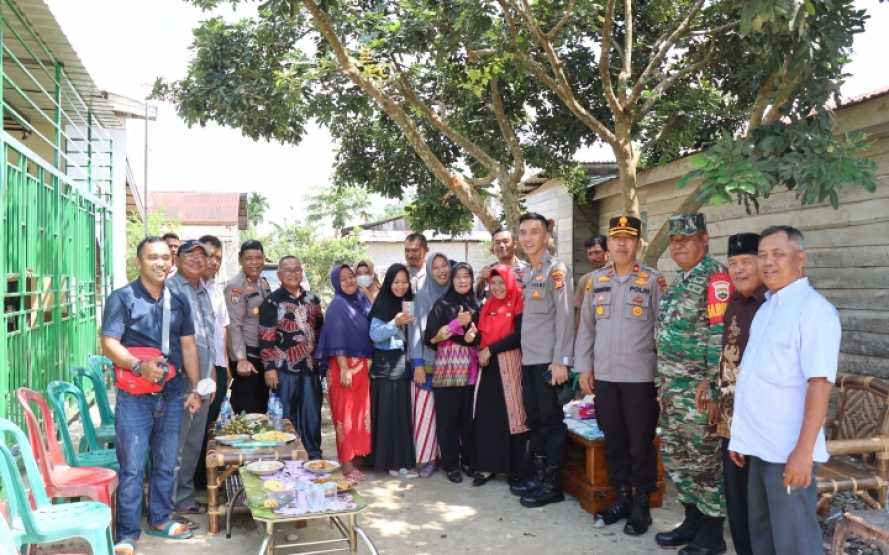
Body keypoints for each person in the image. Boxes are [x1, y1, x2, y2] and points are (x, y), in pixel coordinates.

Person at [729, 226, 840, 555]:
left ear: (800, 259)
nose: (768, 262)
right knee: (763, 537)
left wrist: (803, 453)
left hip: (788, 450)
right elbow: (754, 379)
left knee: (795, 542)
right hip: (760, 445)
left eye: (778, 254)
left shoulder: (815, 311)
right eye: (762, 255)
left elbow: (819, 385)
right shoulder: (767, 308)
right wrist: (741, 436)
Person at [100, 236, 202, 548]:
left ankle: (161, 517)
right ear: (139, 261)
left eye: (165, 257)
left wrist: (195, 388)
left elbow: (187, 346)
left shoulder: (179, 300)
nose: (160, 263)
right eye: (152, 257)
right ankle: (127, 533)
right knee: (132, 466)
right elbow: (108, 343)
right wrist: (136, 366)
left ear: (172, 263)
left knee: (167, 461)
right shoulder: (123, 298)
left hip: (172, 394)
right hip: (134, 397)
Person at [574, 216, 664, 535]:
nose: (622, 244)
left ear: (639, 243)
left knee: (640, 445)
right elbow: (585, 328)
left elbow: (661, 332)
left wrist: (661, 379)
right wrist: (584, 367)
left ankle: (641, 505)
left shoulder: (653, 281)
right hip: (606, 379)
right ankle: (621, 498)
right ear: (608, 243)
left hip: (640, 379)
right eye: (617, 238)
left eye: (629, 238)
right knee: (613, 443)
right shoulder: (595, 281)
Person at [654, 213, 732, 555]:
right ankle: (692, 521)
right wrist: (662, 384)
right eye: (674, 241)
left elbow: (720, 334)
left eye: (687, 239)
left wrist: (712, 385)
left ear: (705, 240)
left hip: (698, 393)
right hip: (673, 390)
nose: (679, 246)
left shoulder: (715, 278)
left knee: (703, 463)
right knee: (677, 458)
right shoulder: (682, 279)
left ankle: (712, 535)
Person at [509, 212, 574, 508]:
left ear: (546, 235)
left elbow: (565, 316)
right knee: (535, 420)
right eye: (523, 232)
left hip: (548, 362)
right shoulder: (531, 272)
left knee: (551, 422)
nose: (528, 238)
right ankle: (539, 476)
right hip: (530, 360)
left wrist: (561, 360)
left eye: (535, 232)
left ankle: (553, 484)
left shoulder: (555, 270)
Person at [708, 233, 765, 555]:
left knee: (761, 507)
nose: (740, 270)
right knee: (737, 501)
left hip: (760, 424)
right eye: (733, 263)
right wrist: (716, 394)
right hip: (731, 422)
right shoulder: (732, 303)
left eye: (746, 262)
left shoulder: (770, 306)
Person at [166, 240, 217, 524]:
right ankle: (166, 503)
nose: (198, 259)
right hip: (182, 381)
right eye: (191, 254)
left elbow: (207, 337)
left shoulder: (203, 291)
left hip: (203, 379)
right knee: (175, 442)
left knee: (194, 442)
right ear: (178, 258)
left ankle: (183, 498)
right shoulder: (172, 290)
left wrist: (209, 376)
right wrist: (190, 380)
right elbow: (176, 342)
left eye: (203, 255)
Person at [259, 256, 324, 460]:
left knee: (312, 414)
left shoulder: (312, 300)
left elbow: (320, 331)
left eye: (297, 269)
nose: (293, 273)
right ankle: (287, 458)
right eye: (287, 270)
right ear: (279, 275)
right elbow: (265, 337)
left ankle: (313, 455)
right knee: (286, 414)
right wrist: (269, 367)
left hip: (310, 368)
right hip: (283, 369)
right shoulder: (272, 302)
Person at [423, 262, 481, 484]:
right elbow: (432, 338)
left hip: (470, 371)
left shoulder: (476, 305)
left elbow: (480, 336)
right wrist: (458, 322)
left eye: (467, 276)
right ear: (452, 280)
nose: (463, 281)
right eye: (458, 277)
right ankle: (451, 464)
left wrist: (471, 337)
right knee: (448, 420)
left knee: (468, 420)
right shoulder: (442, 304)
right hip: (447, 370)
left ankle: (467, 461)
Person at [315, 264, 374, 482]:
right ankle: (347, 465)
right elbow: (336, 337)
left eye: (352, 277)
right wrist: (344, 368)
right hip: (344, 367)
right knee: (344, 417)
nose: (349, 281)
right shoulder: (338, 305)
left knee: (359, 415)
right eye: (344, 279)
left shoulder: (361, 299)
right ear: (336, 284)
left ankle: (356, 457)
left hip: (361, 367)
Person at [472, 264, 528, 487]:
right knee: (487, 417)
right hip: (488, 366)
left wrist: (490, 350)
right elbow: (481, 334)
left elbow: (519, 335)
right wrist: (478, 345)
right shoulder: (488, 306)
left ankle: (516, 471)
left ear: (510, 282)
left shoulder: (518, 301)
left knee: (513, 417)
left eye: (501, 282)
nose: (496, 287)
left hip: (509, 364)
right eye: (492, 283)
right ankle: (487, 467)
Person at [368, 263, 418, 477]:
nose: (400, 286)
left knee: (402, 416)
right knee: (388, 416)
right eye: (396, 282)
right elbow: (375, 335)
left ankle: (402, 462)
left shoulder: (410, 303)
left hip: (403, 367)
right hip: (385, 368)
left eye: (404, 282)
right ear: (388, 282)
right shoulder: (381, 304)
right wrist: (394, 323)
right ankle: (388, 463)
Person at [408, 252, 451, 478]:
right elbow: (415, 331)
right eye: (436, 267)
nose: (442, 270)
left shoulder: (455, 294)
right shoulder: (422, 296)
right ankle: (426, 458)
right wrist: (417, 364)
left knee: (447, 413)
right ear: (430, 271)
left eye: (445, 266)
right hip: (427, 364)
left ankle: (446, 456)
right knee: (426, 414)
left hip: (453, 366)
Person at [194, 235, 230, 490]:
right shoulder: (188, 288)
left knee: (211, 423)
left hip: (217, 366)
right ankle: (193, 483)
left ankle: (208, 481)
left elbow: (223, 329)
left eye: (218, 257)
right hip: (197, 368)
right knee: (195, 425)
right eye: (210, 256)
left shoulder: (217, 289)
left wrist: (225, 365)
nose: (214, 262)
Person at [225, 240, 272, 414]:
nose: (254, 262)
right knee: (247, 411)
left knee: (261, 409)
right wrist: (240, 359)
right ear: (240, 260)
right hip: (248, 359)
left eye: (258, 258)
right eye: (249, 258)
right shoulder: (236, 287)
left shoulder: (263, 282)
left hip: (261, 356)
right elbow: (234, 325)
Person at [475, 228, 530, 299]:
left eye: (505, 241)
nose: (501, 245)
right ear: (493, 247)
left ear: (515, 244)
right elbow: (476, 299)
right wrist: (482, 280)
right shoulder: (486, 272)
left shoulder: (528, 270)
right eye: (497, 242)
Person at [574, 234, 608, 327]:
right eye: (590, 253)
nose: (593, 258)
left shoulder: (619, 277)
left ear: (607, 252)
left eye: (597, 252)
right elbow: (579, 313)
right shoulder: (585, 280)